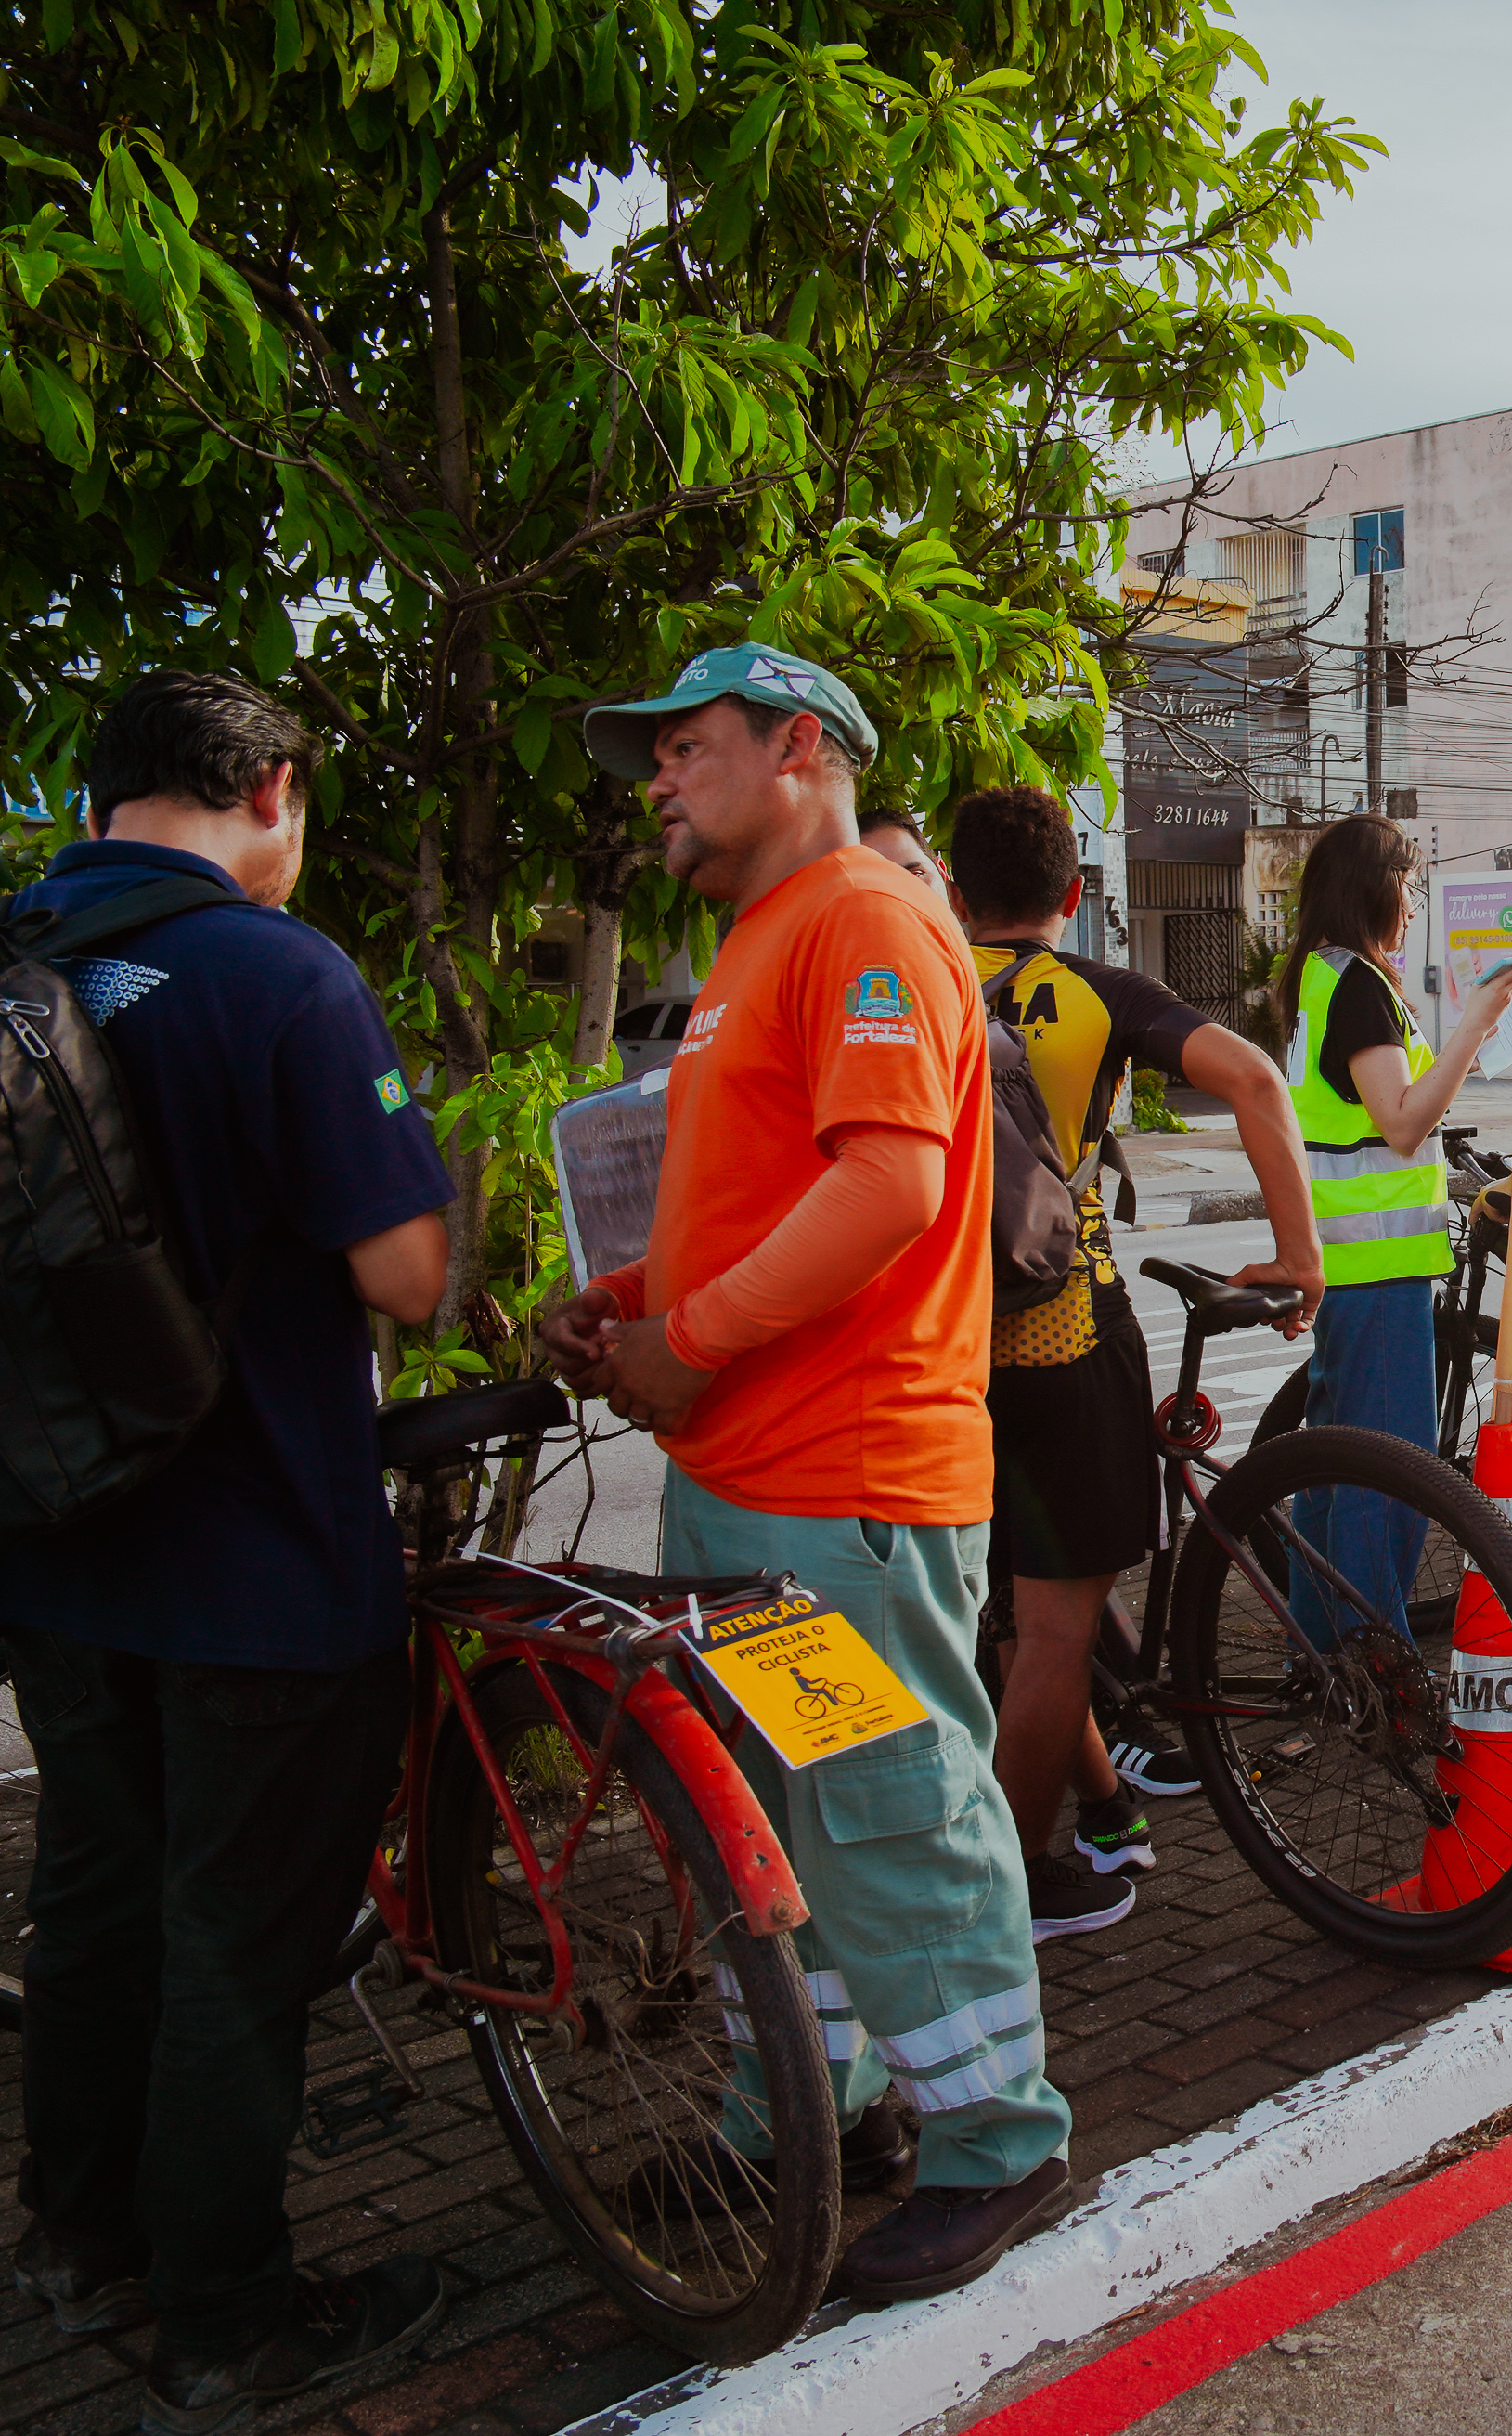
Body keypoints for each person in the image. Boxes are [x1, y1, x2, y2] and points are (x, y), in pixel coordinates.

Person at [0, 671, 457, 2427]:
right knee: (237, 1945)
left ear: (95, 807)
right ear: (276, 792)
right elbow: (403, 1273)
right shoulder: (275, 971)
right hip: (256, 1558)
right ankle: (227, 2313)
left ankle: (74, 2239)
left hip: (52, 1546)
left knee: (97, 1906)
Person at [541, 644, 1076, 2304]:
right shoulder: (756, 944)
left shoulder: (861, 916)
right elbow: (761, 1194)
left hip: (837, 1478)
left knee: (890, 1814)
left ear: (796, 745)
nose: (659, 779)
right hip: (752, 1477)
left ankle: (1001, 2136)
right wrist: (628, 1300)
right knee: (783, 1830)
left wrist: (686, 1339)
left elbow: (893, 1187)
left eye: (685, 745)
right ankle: (796, 2112)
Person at [949, 786, 1322, 1940]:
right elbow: (1257, 1079)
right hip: (1067, 1330)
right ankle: (1009, 1887)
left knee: (1006, 1609)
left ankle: (1108, 1808)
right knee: (1062, 1625)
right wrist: (1298, 1251)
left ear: (954, 894)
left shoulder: (919, 987)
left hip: (948, 1351)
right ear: (1072, 895)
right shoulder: (1097, 992)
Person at [1282, 812, 1512, 1638]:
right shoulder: (1358, 984)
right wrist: (1473, 1027)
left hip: (1345, 1268)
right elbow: (1399, 1121)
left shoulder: (1320, 978)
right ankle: (1369, 1659)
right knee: (1386, 1484)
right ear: (1381, 887)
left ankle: (1321, 1655)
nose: (1416, 898)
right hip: (1377, 1275)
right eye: (1411, 882)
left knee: (1334, 1474)